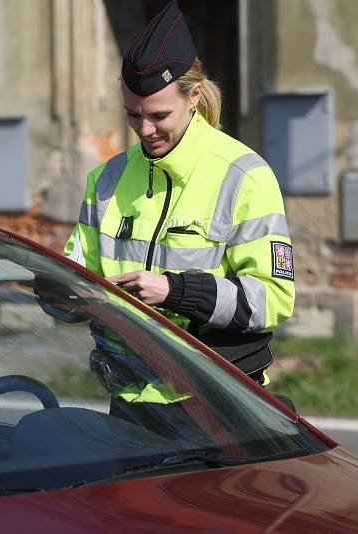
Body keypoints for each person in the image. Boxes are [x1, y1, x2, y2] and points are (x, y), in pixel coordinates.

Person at [64, 0, 295, 385]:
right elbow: (78, 278)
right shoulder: (106, 179)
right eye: (133, 115)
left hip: (216, 402)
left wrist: (175, 291)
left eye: (159, 116)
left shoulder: (244, 176)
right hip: (129, 397)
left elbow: (272, 299)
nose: (145, 129)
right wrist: (58, 293)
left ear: (194, 96)